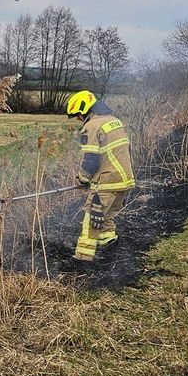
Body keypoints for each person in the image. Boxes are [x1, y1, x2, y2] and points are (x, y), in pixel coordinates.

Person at [66, 90, 135, 262]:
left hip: (106, 183)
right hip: (124, 180)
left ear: (84, 110)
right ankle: (109, 249)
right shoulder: (114, 121)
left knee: (91, 223)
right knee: (107, 218)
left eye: (77, 115)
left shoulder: (92, 126)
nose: (77, 119)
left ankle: (82, 260)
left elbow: (91, 159)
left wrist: (82, 179)